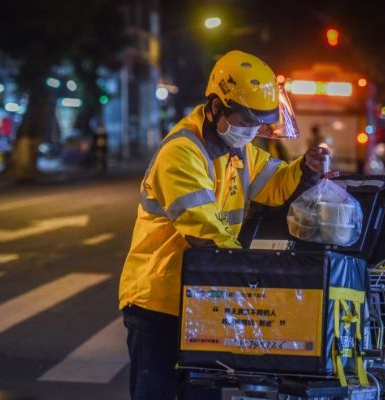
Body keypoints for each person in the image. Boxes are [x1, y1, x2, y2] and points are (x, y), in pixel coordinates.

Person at [118, 50, 330, 400]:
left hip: (204, 297)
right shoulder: (182, 153)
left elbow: (276, 185)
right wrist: (263, 278)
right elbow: (206, 234)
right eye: (246, 121)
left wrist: (306, 169)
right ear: (216, 108)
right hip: (159, 303)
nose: (252, 131)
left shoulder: (239, 150)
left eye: (258, 123)